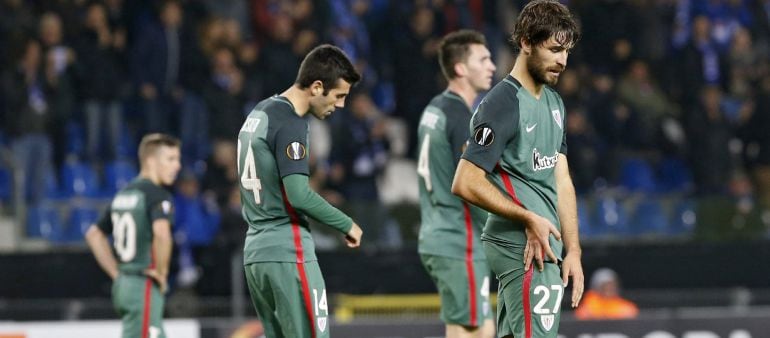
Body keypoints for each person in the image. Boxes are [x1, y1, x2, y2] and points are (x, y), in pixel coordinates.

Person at [451, 1, 584, 337]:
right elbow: (465, 181)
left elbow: (561, 179)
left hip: (545, 244)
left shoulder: (554, 103)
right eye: (554, 49)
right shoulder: (502, 103)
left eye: (566, 51)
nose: (562, 61)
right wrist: (527, 218)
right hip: (523, 247)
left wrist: (574, 251)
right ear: (526, 42)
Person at [237, 44, 363, 338]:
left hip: (256, 253)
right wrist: (347, 224)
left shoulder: (260, 113)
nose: (341, 105)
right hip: (288, 250)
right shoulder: (291, 123)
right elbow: (298, 195)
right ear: (317, 87)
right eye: (339, 95)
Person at [416, 29, 497, 338]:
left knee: (465, 327)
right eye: (483, 59)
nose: (491, 66)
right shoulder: (462, 118)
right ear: (461, 68)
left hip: (437, 233)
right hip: (458, 237)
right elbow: (472, 185)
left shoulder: (434, 109)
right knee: (479, 329)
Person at [85, 133, 181, 338]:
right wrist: (162, 272)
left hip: (124, 284)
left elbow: (94, 234)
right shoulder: (157, 195)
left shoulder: (124, 193)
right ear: (151, 161)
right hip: (143, 282)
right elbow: (162, 234)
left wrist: (116, 273)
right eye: (171, 159)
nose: (177, 166)